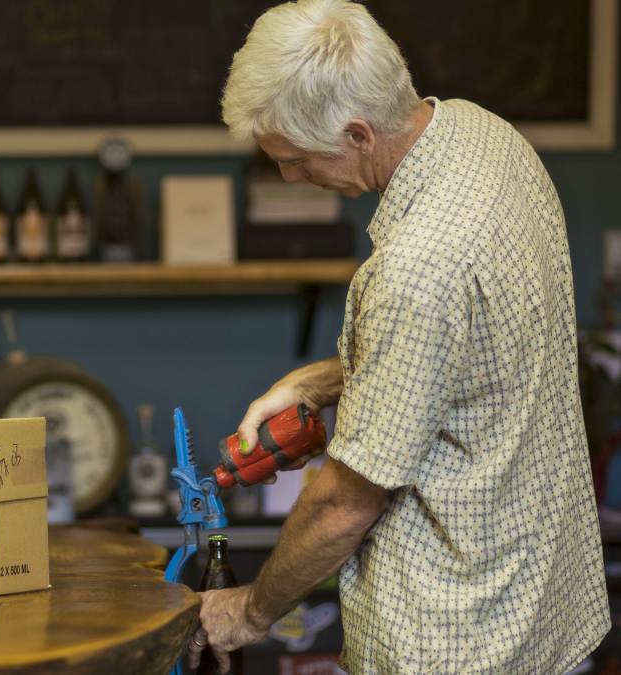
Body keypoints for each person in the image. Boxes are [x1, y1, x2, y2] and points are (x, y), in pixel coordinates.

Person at [187, 1, 611, 672]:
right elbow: (468, 351)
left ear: (357, 133)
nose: (291, 177)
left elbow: (342, 508)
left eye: (294, 160)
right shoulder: (485, 135)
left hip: (455, 639)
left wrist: (248, 611)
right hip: (541, 605)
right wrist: (314, 382)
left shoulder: (416, 269)